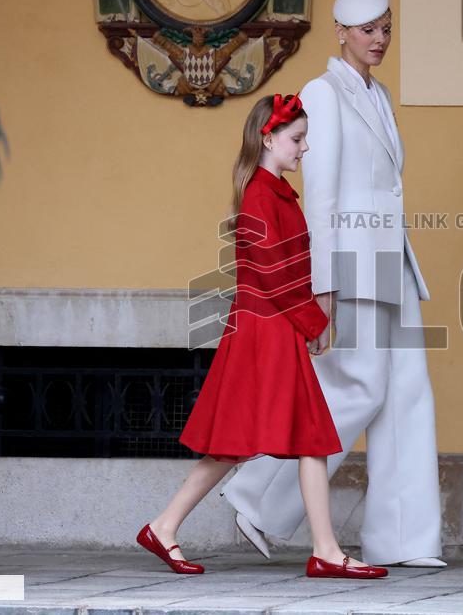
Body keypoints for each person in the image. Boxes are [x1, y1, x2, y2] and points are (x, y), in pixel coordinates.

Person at [223, 0, 445, 568]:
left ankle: (404, 539)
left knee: (408, 393)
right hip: (351, 263)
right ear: (340, 32)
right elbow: (318, 197)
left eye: (386, 27)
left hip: (391, 259)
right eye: (367, 28)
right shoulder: (322, 93)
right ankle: (256, 498)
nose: (379, 39)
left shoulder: (380, 94)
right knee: (359, 387)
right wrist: (323, 285)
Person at [136, 94, 387, 580]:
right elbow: (274, 274)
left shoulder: (271, 191)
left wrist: (310, 322)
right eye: (296, 139)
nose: (304, 149)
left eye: (304, 139)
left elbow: (283, 272)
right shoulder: (260, 194)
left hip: (272, 328)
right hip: (266, 330)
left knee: (284, 439)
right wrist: (314, 323)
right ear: (267, 139)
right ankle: (325, 552)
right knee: (285, 438)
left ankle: (167, 527)